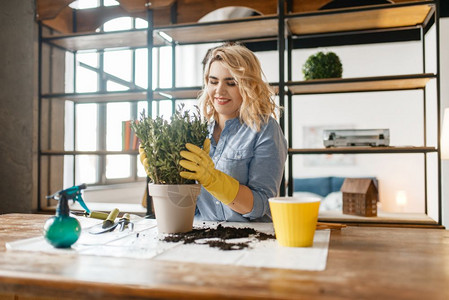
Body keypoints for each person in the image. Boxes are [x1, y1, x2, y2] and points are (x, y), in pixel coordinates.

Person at [178, 43, 287, 222]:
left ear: (248, 85)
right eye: (213, 82)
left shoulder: (264, 129)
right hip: (202, 236)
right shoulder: (197, 133)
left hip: (252, 239)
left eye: (231, 83)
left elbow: (261, 204)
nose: (219, 91)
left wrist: (214, 180)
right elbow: (188, 203)